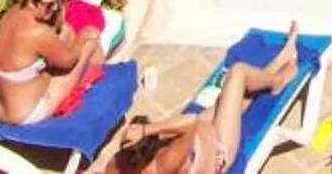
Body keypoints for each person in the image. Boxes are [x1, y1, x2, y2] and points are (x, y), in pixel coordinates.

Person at [107, 25, 304, 174]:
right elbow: (192, 123)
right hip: (218, 151)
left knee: (236, 95)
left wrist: (151, 132)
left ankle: (277, 63)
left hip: (201, 139)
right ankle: (278, 79)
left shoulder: (118, 165)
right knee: (238, 73)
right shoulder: (164, 163)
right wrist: (147, 129)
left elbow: (189, 123)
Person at [0, 0, 108, 123]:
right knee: (90, 41)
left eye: (58, 1)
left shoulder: (11, 14)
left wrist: (57, 5)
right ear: (31, 1)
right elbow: (69, 61)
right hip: (23, 115)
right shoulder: (38, 32)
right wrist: (82, 39)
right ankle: (104, 86)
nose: (54, 8)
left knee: (66, 33)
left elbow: (60, 27)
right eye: (49, 5)